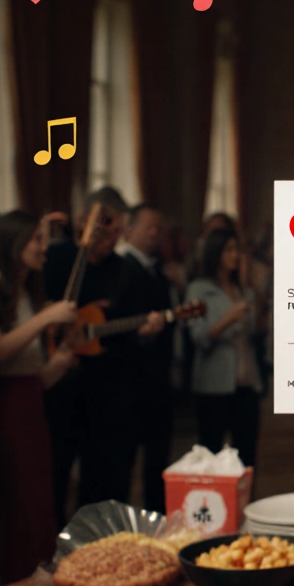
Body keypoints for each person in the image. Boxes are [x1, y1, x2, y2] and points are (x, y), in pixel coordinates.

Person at [43, 188, 163, 524]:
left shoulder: (129, 272)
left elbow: (137, 336)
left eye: (116, 232)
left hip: (111, 395)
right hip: (62, 389)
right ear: (85, 222)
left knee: (108, 483)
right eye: (104, 229)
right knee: (54, 476)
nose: (111, 239)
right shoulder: (57, 259)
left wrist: (148, 331)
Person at [0, 210, 80, 585]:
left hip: (32, 405)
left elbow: (35, 376)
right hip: (6, 409)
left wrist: (63, 360)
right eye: (36, 239)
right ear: (14, 243)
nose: (44, 247)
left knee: (39, 503)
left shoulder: (26, 293)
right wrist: (45, 318)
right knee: (16, 506)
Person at [117, 202, 179, 513]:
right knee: (125, 459)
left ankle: (156, 518)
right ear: (129, 228)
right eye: (148, 226)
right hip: (130, 380)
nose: (155, 233)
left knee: (158, 458)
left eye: (159, 227)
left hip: (157, 378)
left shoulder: (156, 269)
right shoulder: (121, 267)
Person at [186, 227, 261, 468]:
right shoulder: (199, 289)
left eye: (236, 249)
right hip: (214, 384)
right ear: (215, 253)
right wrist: (229, 318)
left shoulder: (243, 290)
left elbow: (255, 333)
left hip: (246, 381)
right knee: (211, 451)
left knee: (246, 454)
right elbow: (199, 338)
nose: (235, 255)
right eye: (229, 249)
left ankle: (244, 503)